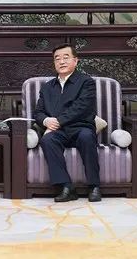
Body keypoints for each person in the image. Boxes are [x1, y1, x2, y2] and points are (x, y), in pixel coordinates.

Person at [34, 43, 102, 202]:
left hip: (81, 127)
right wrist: (46, 120)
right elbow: (38, 112)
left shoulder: (86, 82)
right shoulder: (47, 87)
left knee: (87, 137)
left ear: (75, 61)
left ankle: (94, 186)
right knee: (47, 140)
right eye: (57, 58)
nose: (61, 61)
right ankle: (66, 186)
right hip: (58, 131)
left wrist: (58, 121)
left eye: (66, 57)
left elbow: (82, 107)